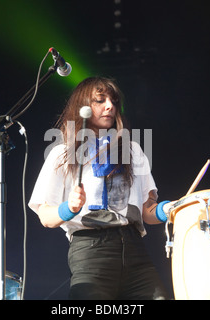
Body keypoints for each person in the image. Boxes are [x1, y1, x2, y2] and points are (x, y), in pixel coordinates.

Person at [29, 76, 174, 300]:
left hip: (134, 250)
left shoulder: (133, 150)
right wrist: (69, 208)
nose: (110, 106)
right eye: (100, 100)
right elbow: (45, 217)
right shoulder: (63, 152)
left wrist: (170, 209)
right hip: (91, 249)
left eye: (114, 101)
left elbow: (147, 211)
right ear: (83, 107)